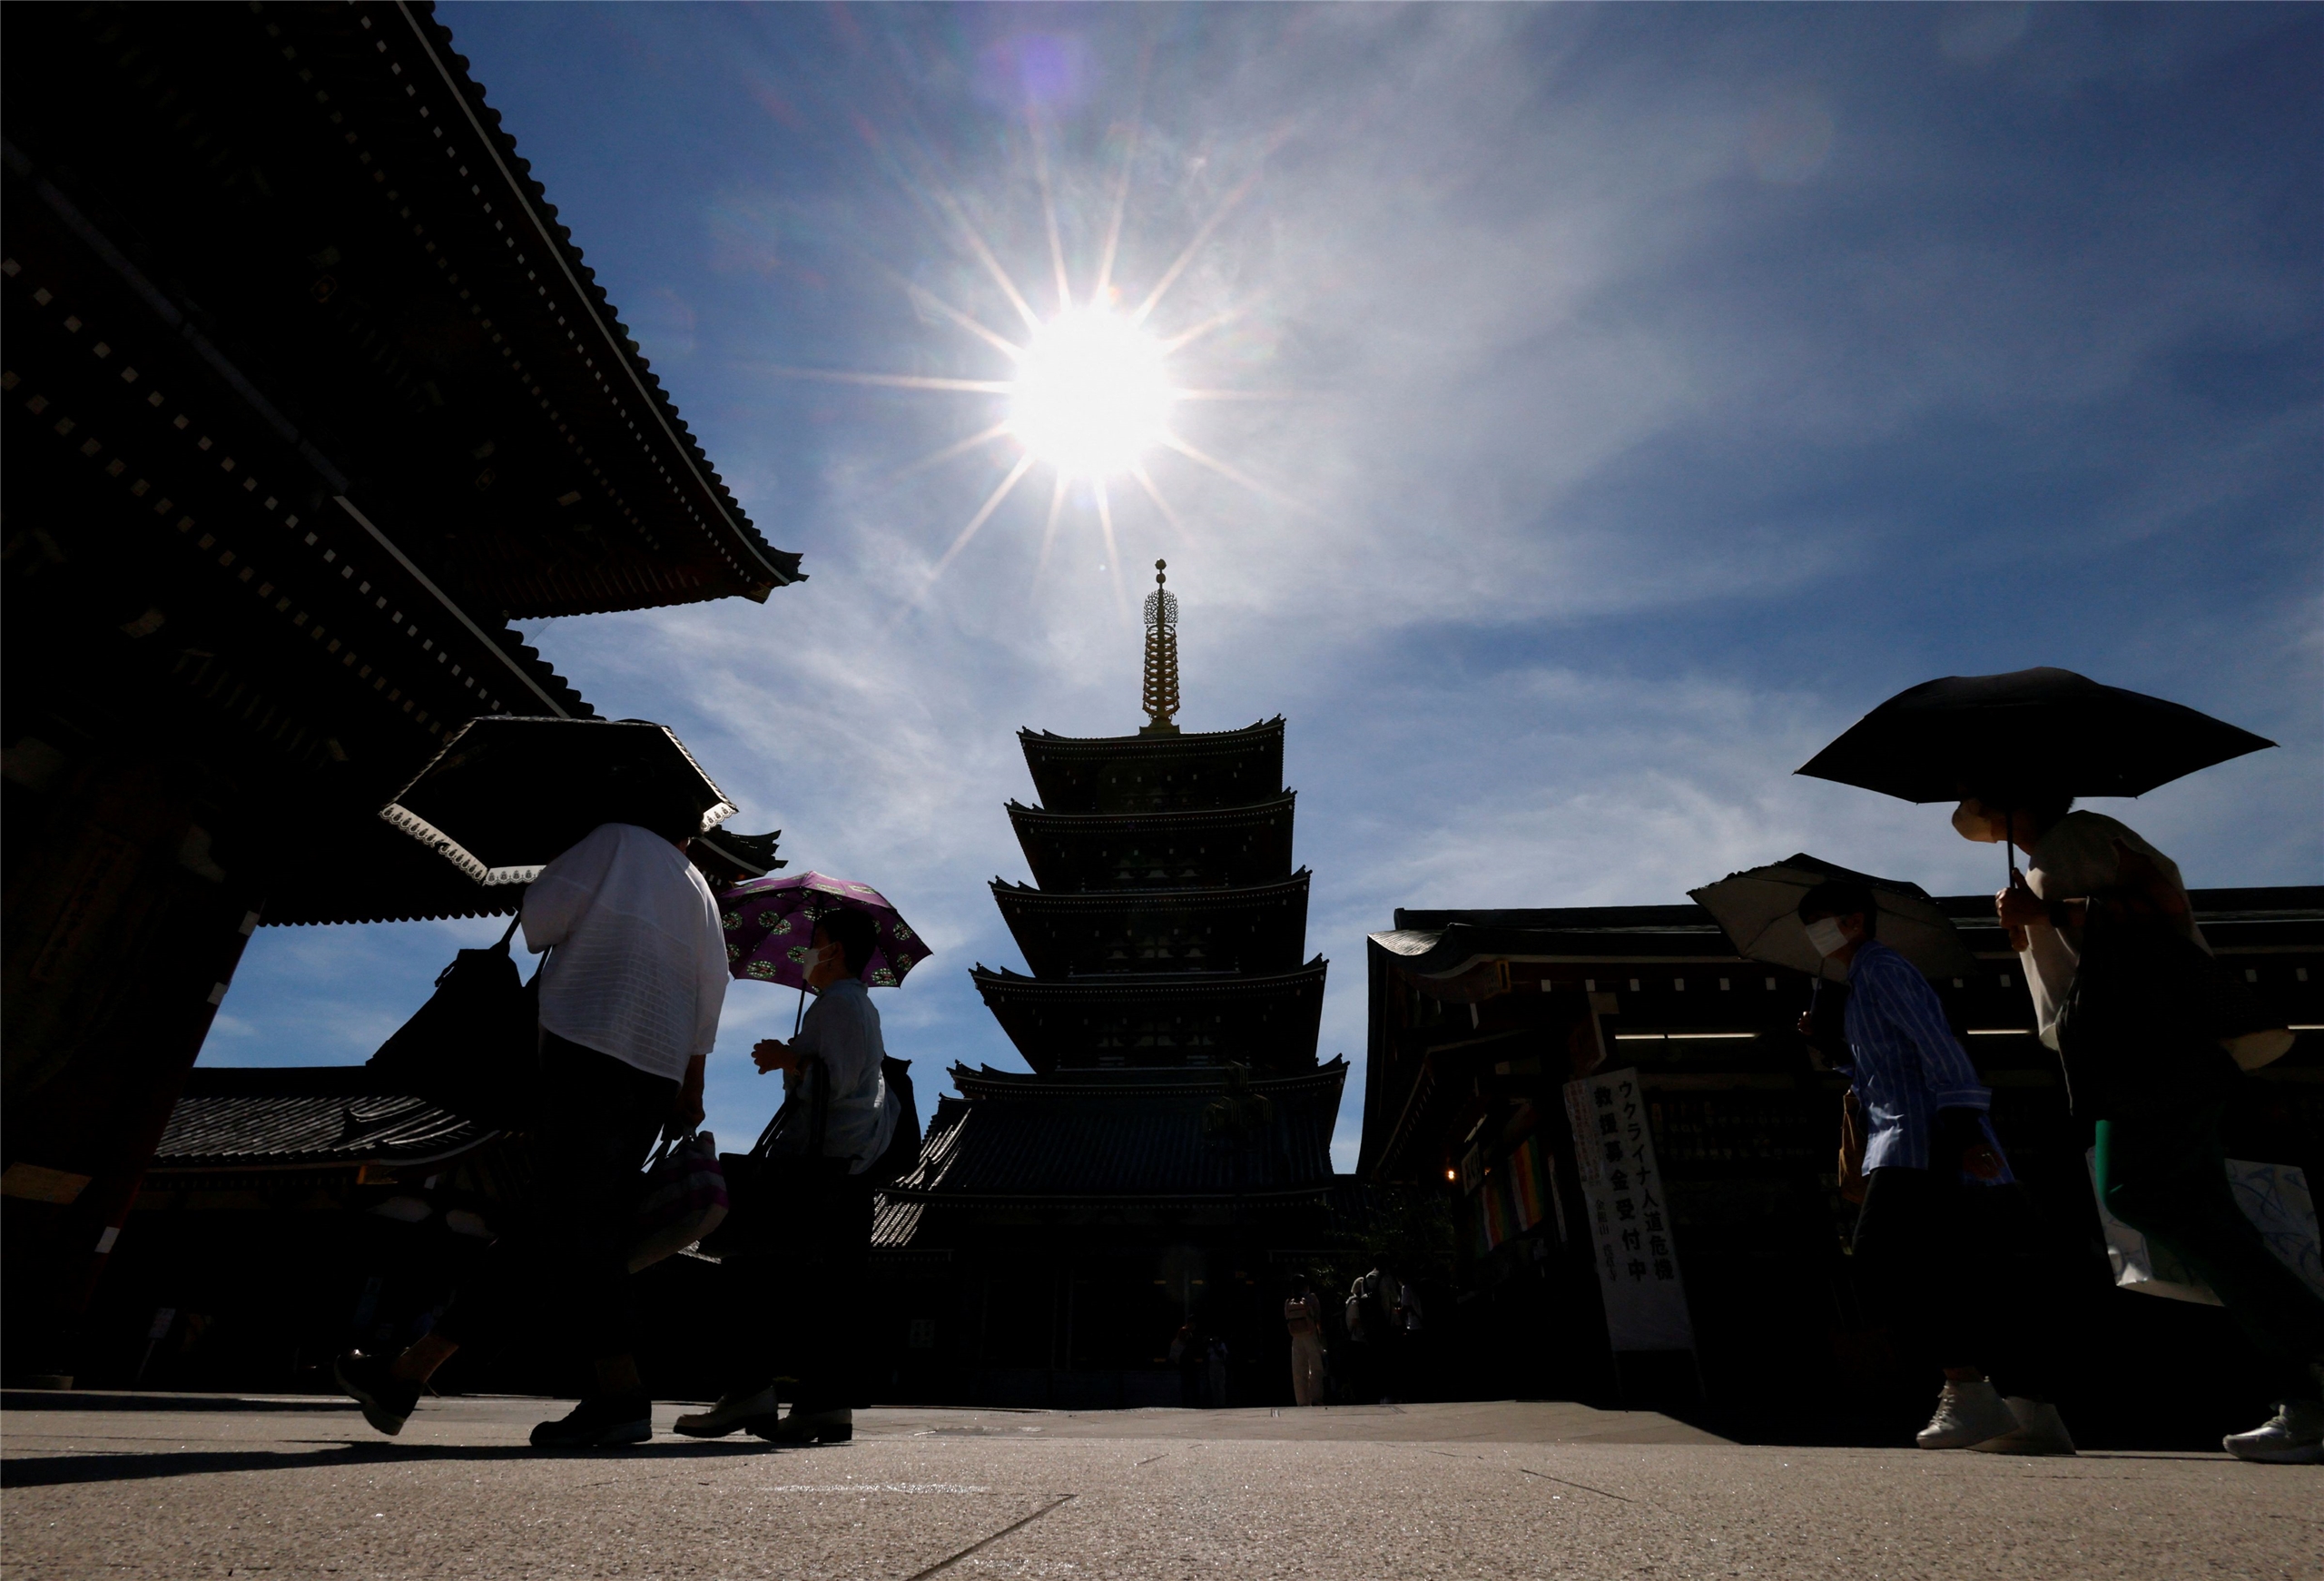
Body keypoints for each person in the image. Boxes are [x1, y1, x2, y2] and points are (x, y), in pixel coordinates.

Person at [337, 799, 727, 1448]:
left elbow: (541, 922)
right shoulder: (700, 890)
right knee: (552, 1225)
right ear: (686, 828)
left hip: (588, 1044)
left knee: (580, 1226)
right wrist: (693, 1084)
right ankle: (407, 1372)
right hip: (655, 1069)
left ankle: (622, 1396)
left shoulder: (613, 837)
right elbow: (711, 991)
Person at [1959, 794, 2324, 1463]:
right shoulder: (2047, 856)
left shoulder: (2079, 835)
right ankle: (2300, 1388)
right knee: (2200, 1210)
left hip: (2149, 1045)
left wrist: (2051, 914)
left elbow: (2164, 908)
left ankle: (2310, 1361)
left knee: (2136, 1190)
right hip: (2127, 1049)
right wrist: (2032, 923)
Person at [1796, 877, 2075, 1455]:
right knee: (1964, 1271)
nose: (1813, 933)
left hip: (1924, 1137)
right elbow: (1885, 1068)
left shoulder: (1882, 970)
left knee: (1880, 1256)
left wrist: (1966, 1124)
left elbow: (1938, 1046)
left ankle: (1966, 1389)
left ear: (1855, 921)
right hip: (1914, 1137)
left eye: (1820, 919)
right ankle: (2033, 1410)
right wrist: (1834, 1046)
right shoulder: (1860, 982)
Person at [675, 907, 892, 1445]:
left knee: (752, 1267)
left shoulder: (840, 1003)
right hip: (843, 1166)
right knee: (824, 1288)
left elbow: (833, 1085)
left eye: (815, 941)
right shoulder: (851, 1006)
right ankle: (823, 1403)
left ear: (836, 949)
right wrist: (792, 1058)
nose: (808, 954)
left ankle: (748, 1389)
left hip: (818, 1167)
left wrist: (786, 1059)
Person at [1284, 1277, 1326, 1407]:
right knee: (1315, 1366)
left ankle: (1302, 1400)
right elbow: (1317, 1316)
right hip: (1311, 1334)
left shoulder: (1288, 1301)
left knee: (1298, 1368)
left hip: (1296, 1336)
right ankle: (1316, 1397)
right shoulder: (1311, 1298)